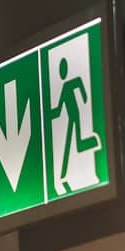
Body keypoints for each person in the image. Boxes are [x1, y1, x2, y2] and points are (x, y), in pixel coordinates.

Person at [51, 57, 101, 193]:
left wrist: (85, 98)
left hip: (76, 115)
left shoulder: (69, 84)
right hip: (71, 117)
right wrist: (51, 113)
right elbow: (60, 107)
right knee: (70, 143)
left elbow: (80, 85)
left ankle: (91, 143)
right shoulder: (65, 87)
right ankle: (62, 175)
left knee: (73, 142)